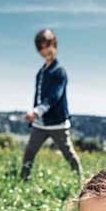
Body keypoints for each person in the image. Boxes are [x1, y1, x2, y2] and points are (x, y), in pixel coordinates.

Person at [21, 28, 82, 181]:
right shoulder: (41, 73)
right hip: (40, 124)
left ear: (54, 45)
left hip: (57, 123)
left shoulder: (59, 72)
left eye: (48, 45)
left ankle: (80, 180)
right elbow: (38, 97)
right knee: (29, 152)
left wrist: (36, 111)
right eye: (41, 47)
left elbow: (54, 96)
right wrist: (35, 115)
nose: (46, 50)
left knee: (68, 153)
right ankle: (23, 179)